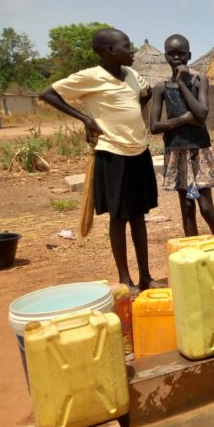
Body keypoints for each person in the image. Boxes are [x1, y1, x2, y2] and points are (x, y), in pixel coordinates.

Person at [40, 28, 161, 290]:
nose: (131, 51)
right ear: (108, 51)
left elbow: (146, 93)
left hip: (139, 151)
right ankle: (125, 279)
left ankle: (145, 276)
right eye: (126, 46)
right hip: (112, 153)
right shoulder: (90, 77)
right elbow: (48, 93)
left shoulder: (131, 75)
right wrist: (85, 119)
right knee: (118, 218)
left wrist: (131, 118)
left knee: (139, 216)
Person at [150, 34, 214, 238]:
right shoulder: (161, 88)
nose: (176, 57)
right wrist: (184, 118)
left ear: (189, 55)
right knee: (186, 208)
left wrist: (182, 83)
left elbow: (201, 116)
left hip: (198, 149)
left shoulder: (199, 80)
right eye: (171, 53)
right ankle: (194, 257)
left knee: (206, 208)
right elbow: (155, 127)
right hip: (175, 149)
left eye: (181, 53)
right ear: (165, 56)